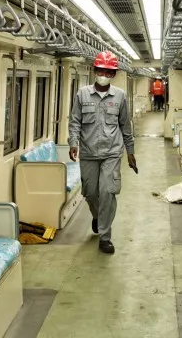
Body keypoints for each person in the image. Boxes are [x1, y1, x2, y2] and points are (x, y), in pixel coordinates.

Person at [68, 50, 136, 254]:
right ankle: (97, 216)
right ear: (94, 70)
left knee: (107, 192)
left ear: (113, 74)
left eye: (108, 72)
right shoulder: (82, 94)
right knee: (90, 193)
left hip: (112, 153)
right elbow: (75, 122)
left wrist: (130, 152)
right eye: (101, 70)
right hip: (88, 153)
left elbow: (125, 125)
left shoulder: (120, 96)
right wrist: (73, 143)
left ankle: (105, 236)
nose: (104, 75)